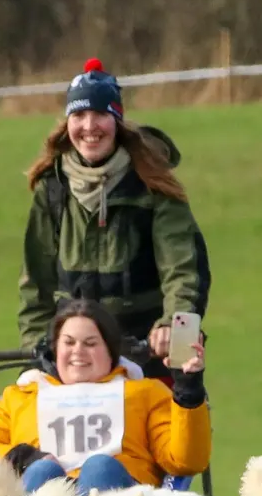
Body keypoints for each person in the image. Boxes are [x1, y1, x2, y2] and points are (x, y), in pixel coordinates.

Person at [17, 57, 212, 382]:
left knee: (180, 419)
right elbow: (35, 286)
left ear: (117, 121)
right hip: (74, 360)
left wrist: (173, 330)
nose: (89, 127)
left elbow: (185, 272)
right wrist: (36, 353)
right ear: (67, 123)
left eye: (100, 115)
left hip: (146, 357)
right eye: (79, 115)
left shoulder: (154, 186)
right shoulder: (52, 190)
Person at [0, 298, 209, 496]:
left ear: (110, 351)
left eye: (90, 343)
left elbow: (184, 461)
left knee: (100, 466)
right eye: (69, 343)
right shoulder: (22, 396)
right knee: (42, 470)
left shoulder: (143, 392)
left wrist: (188, 389)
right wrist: (23, 456)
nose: (78, 351)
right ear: (56, 351)